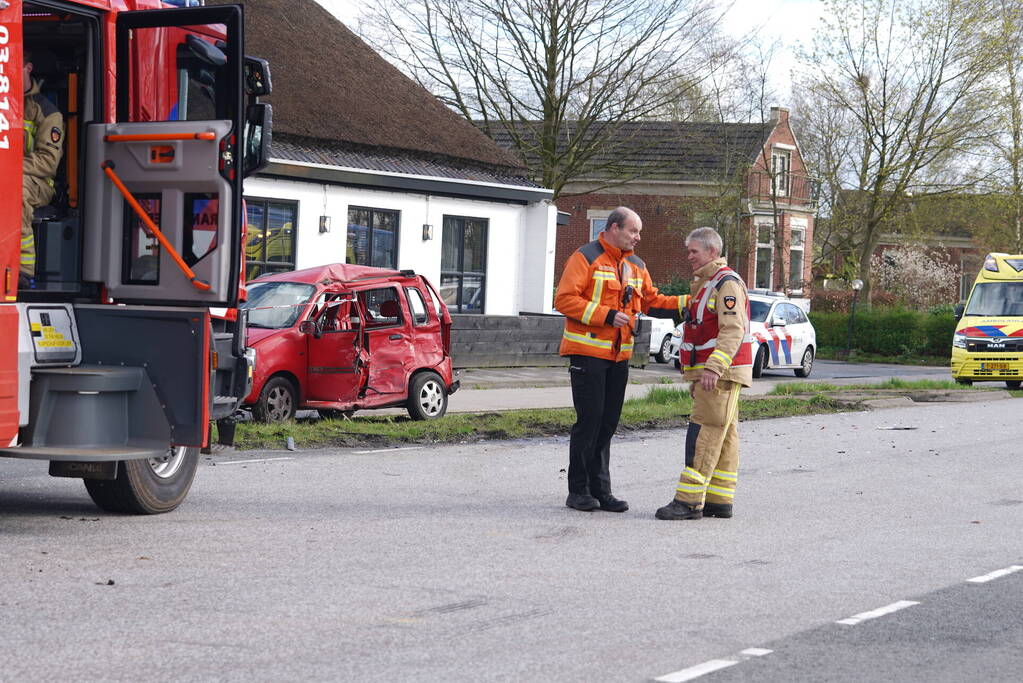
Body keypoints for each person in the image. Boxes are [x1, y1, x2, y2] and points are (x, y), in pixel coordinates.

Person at [554, 207, 685, 513]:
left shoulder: (637, 266)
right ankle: (578, 491)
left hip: (619, 355)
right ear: (613, 227)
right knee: (590, 421)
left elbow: (653, 300)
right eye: (633, 231)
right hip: (587, 354)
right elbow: (564, 299)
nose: (638, 238)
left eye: (638, 233)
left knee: (608, 423)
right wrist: (607, 315)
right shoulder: (585, 257)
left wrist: (691, 301)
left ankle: (602, 490)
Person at [656, 227, 753, 520]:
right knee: (724, 435)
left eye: (693, 251)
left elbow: (732, 330)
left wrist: (712, 367)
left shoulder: (725, 284)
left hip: (720, 374)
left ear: (712, 251)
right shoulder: (710, 284)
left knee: (704, 433)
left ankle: (688, 502)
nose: (689, 257)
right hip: (720, 373)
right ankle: (718, 501)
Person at [21, 50, 65, 288]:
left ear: (29, 68)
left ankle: (23, 270)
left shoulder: (47, 112)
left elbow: (48, 162)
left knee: (14, 190)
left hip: (37, 182)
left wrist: (9, 166)